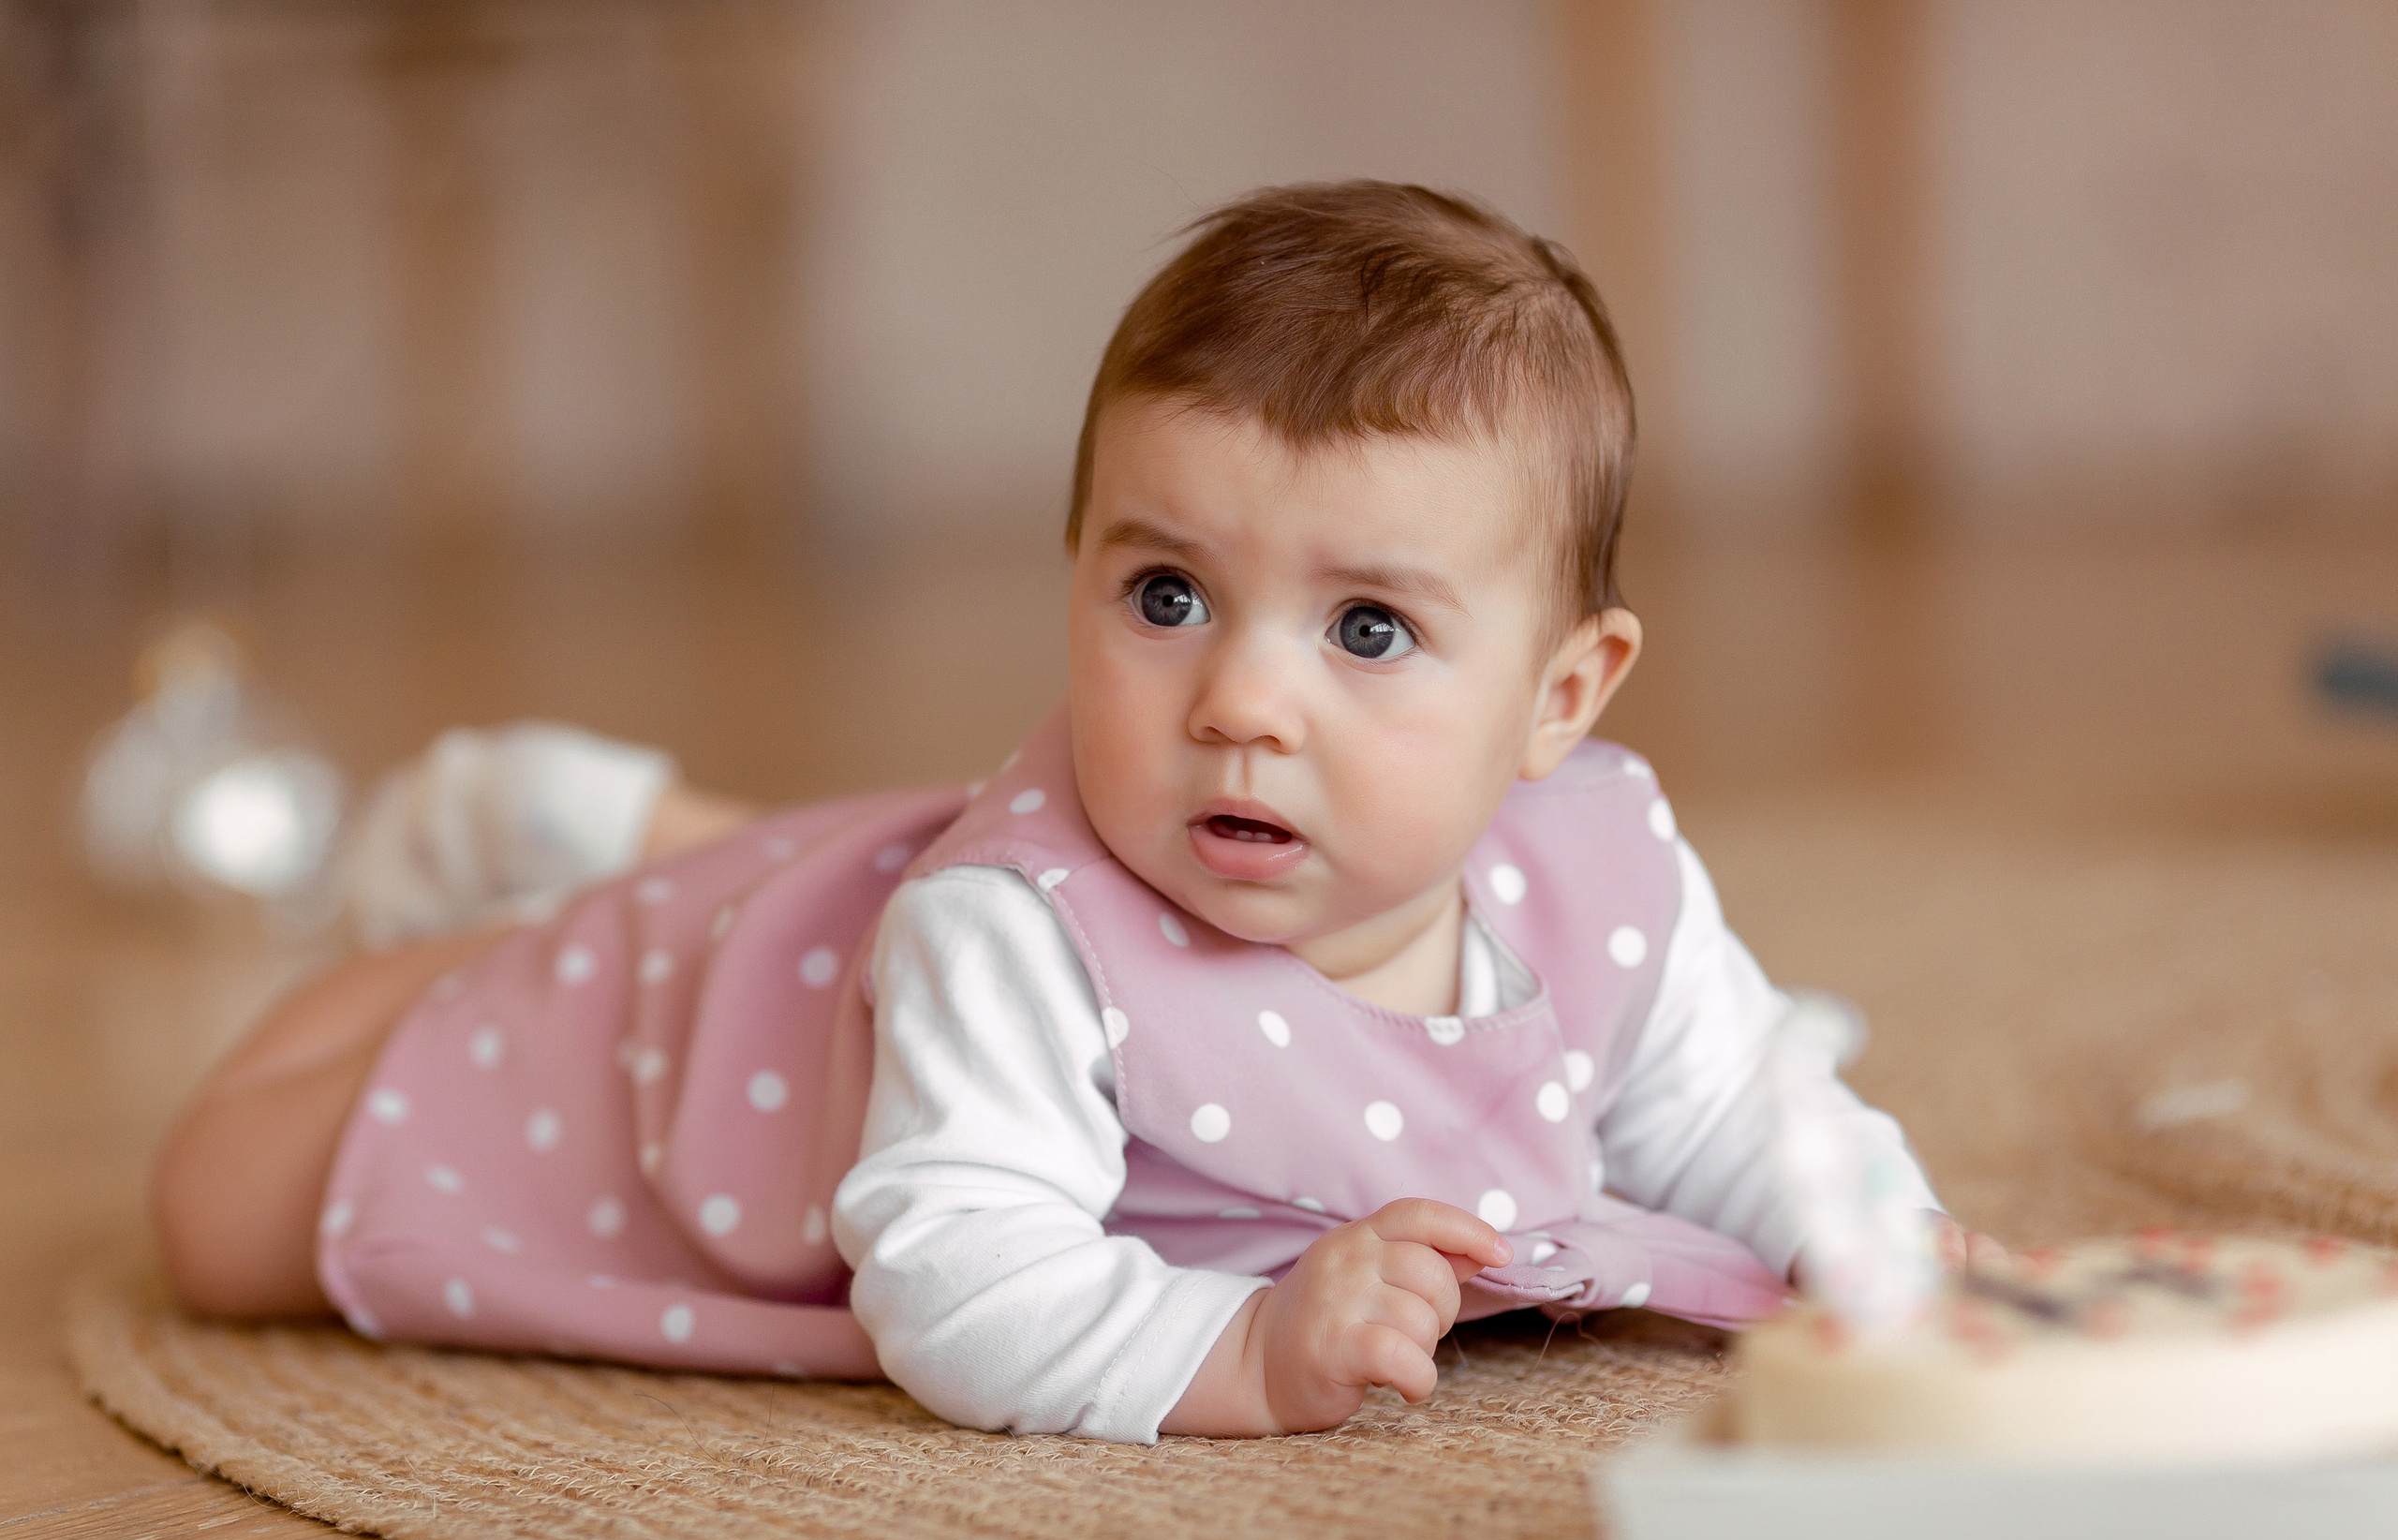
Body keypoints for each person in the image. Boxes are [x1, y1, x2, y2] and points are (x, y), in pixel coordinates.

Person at [152, 181, 1995, 1444]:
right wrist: (1240, 1346)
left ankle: (661, 834)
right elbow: (963, 1277)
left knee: (830, 891)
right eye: (1164, 594)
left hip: (858, 921)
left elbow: (1728, 1108)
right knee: (216, 1210)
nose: (1241, 702)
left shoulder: (1603, 867)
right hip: (689, 1040)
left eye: (1366, 629)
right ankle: (555, 895)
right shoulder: (1021, 931)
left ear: (1560, 698)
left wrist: (1878, 1243)